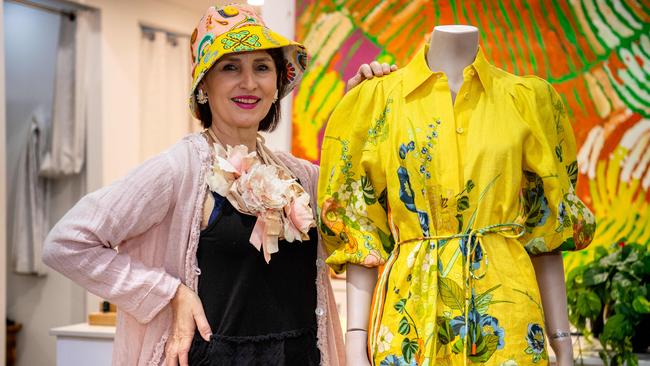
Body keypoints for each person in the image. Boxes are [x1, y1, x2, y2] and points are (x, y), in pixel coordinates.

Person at [42, 4, 396, 366]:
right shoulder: (178, 170)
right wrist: (171, 294)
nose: (249, 82)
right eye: (230, 67)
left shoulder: (304, 177)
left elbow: (365, 209)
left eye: (262, 67)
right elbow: (67, 242)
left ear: (277, 83)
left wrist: (362, 106)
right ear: (204, 85)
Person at [318, 25, 596, 365]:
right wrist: (355, 342)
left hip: (507, 314)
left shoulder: (525, 100)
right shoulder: (379, 99)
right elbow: (361, 230)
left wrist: (563, 343)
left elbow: (546, 232)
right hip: (412, 314)